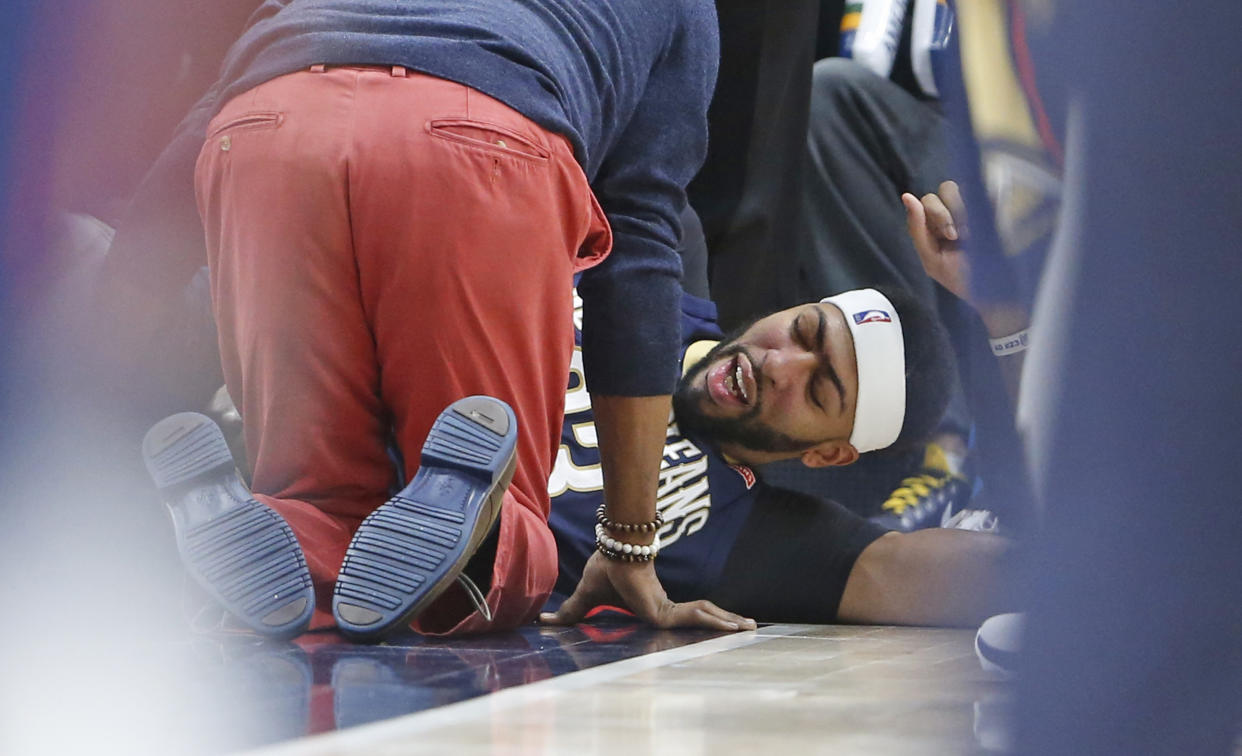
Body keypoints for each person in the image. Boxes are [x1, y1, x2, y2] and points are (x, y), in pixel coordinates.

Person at [140, 0, 757, 642]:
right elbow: (640, 240)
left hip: (265, 130)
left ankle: (264, 514)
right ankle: (476, 524)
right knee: (514, 550)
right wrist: (630, 542)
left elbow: (212, 105)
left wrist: (109, 334)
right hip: (475, 135)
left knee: (314, 498)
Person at [542, 279, 1015, 628]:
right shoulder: (650, 274)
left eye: (816, 391)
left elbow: (1029, 577)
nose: (776, 364)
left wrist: (1012, 322)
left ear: (828, 455)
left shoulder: (748, 537)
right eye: (802, 330)